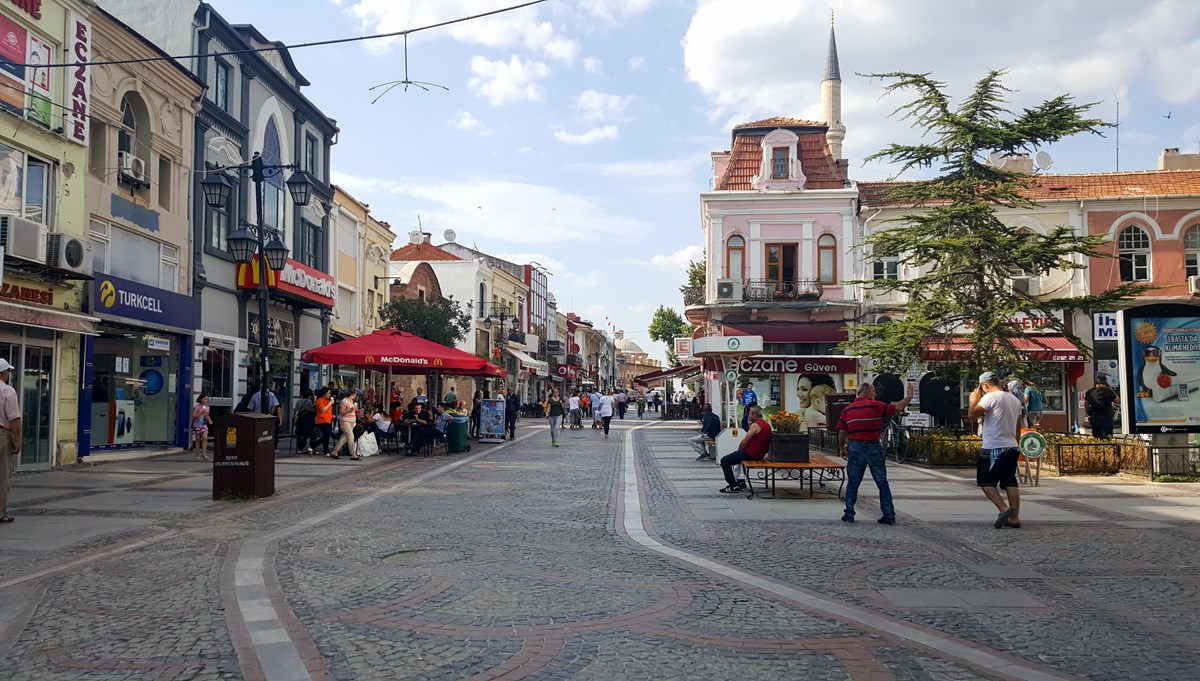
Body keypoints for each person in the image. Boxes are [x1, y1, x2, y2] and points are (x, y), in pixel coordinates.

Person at [836, 382, 915, 524]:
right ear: (865, 391)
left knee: (853, 483)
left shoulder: (848, 409)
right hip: (873, 447)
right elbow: (897, 407)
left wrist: (842, 448)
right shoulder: (877, 406)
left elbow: (842, 431)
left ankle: (849, 513)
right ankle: (889, 515)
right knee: (881, 482)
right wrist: (909, 397)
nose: (875, 394)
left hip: (855, 448)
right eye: (873, 391)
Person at [968, 371, 1025, 529]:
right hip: (1011, 445)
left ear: (985, 385)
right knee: (1010, 482)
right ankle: (1015, 518)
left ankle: (1004, 509)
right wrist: (1016, 443)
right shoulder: (1013, 398)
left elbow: (971, 414)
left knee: (986, 482)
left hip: (994, 446)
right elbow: (1018, 425)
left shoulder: (990, 397)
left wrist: (974, 400)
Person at [718, 404, 772, 494]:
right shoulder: (766, 425)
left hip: (751, 453)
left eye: (750, 414)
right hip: (759, 453)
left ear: (755, 415)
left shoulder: (755, 425)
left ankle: (733, 485)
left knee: (725, 460)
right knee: (737, 459)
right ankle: (740, 482)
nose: (749, 416)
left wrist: (739, 451)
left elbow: (745, 442)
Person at [0, 359, 21, 525]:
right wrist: (17, 440)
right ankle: (0, 514)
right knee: (2, 474)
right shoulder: (7, 391)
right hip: (2, 435)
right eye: (7, 372)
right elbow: (14, 419)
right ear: (3, 374)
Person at [329, 390, 361, 460]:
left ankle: (335, 451)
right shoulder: (344, 401)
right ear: (352, 394)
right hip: (345, 420)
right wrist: (349, 410)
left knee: (345, 437)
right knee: (350, 436)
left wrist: (355, 410)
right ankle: (353, 453)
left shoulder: (352, 401)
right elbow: (341, 412)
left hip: (351, 421)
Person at [293, 388, 316, 456]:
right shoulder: (309, 401)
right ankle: (310, 447)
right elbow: (312, 410)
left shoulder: (299, 401)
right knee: (311, 433)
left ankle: (300, 447)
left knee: (299, 433)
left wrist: (294, 417)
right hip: (307, 420)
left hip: (300, 419)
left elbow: (296, 409)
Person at [313, 387, 334, 456]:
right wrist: (330, 403)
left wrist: (332, 416)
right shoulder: (320, 400)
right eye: (328, 393)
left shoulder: (327, 400)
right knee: (326, 436)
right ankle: (325, 451)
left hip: (328, 420)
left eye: (330, 393)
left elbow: (328, 410)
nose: (329, 395)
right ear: (324, 394)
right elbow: (322, 409)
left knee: (326, 436)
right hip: (322, 420)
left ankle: (313, 446)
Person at [191, 394, 212, 460]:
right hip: (197, 424)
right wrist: (200, 413)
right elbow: (193, 416)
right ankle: (197, 454)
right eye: (205, 399)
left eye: (207, 399)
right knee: (198, 439)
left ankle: (203, 453)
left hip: (204, 424)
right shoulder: (196, 407)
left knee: (205, 437)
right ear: (201, 399)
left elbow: (207, 415)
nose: (206, 400)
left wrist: (209, 420)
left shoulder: (207, 407)